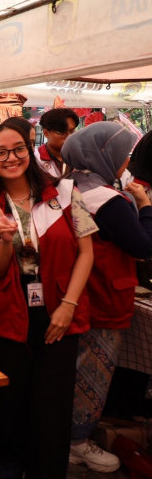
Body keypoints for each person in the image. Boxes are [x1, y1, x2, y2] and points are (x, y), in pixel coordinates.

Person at [0, 121, 96, 478]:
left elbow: (86, 253)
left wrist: (68, 307)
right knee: (12, 407)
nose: (11, 158)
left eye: (18, 149)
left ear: (30, 150)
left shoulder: (64, 193)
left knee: (53, 407)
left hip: (60, 309)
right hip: (10, 315)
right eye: (0, 152)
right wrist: (6, 240)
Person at [61, 122, 152, 473]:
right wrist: (144, 206)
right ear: (103, 153)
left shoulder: (67, 185)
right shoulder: (109, 200)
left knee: (75, 370)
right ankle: (78, 442)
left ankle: (69, 436)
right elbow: (143, 246)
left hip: (76, 293)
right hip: (103, 296)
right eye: (123, 153)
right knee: (93, 375)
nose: (126, 161)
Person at [35, 107, 79, 176]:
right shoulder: (35, 160)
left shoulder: (80, 157)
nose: (69, 137)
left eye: (72, 131)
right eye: (61, 132)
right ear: (46, 133)